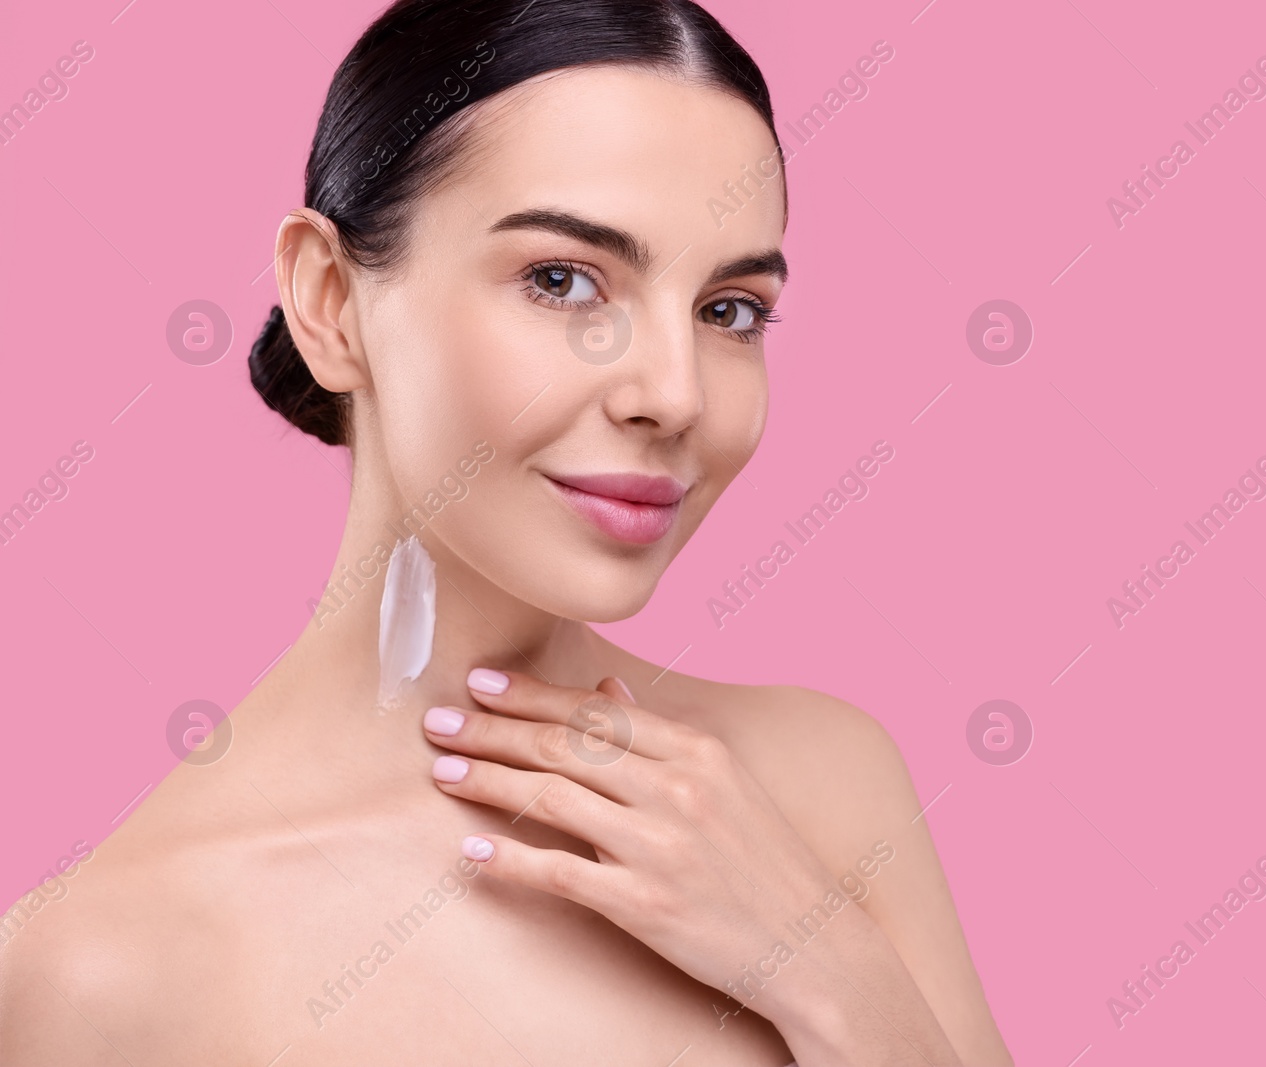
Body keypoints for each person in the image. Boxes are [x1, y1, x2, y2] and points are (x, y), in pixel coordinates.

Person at [0, 2, 1012, 1063]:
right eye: (562, 280)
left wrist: (829, 973)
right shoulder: (100, 968)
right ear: (330, 299)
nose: (672, 395)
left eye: (728, 310)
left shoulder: (817, 787)